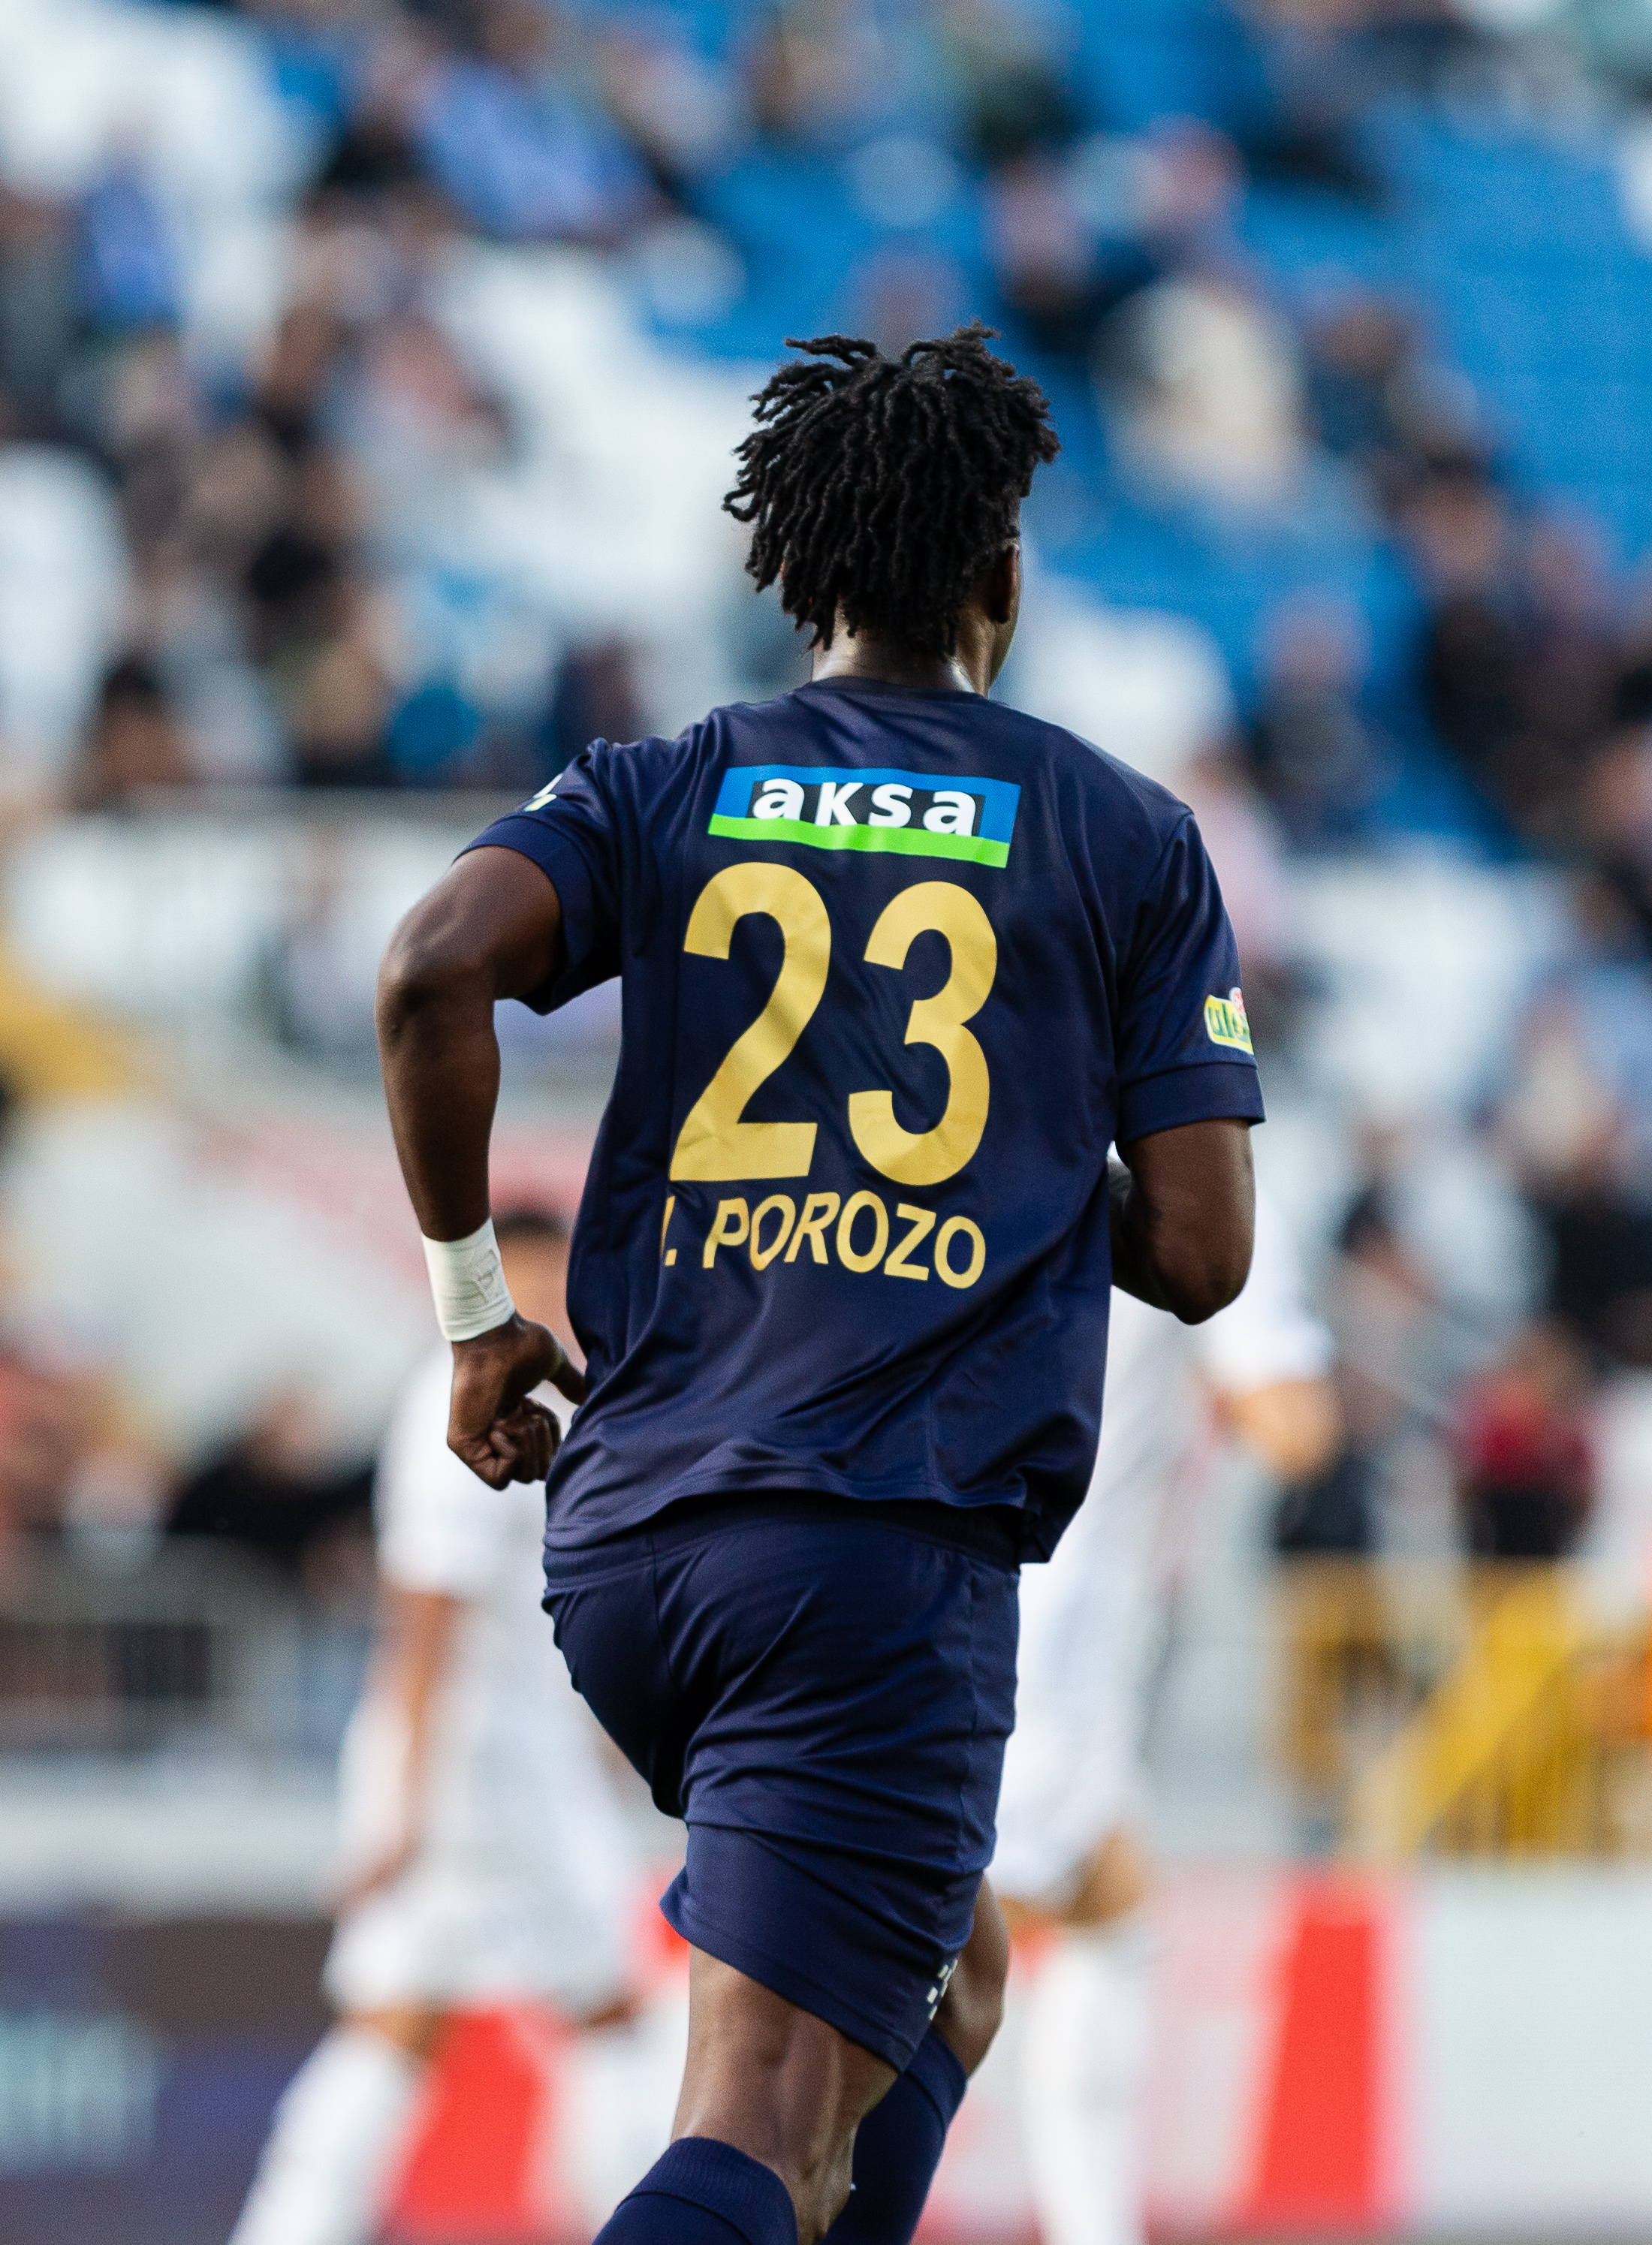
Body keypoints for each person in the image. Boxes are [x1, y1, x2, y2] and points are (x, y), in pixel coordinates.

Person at [374, 323, 1263, 2245]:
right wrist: (1018, 1165)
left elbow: (433, 962)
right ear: (1001, 571)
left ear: (798, 576)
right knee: (761, 2117)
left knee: (951, 1980)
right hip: (867, 1547)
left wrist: (470, 1314)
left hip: (629, 1539)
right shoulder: (1117, 831)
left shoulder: (665, 782)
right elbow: (1202, 1253)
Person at [230, 1209, 652, 2245]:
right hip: (484, 1768)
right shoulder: (466, 1403)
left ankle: (288, 2227)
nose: (552, 1297)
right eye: (533, 1275)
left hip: (496, 1754)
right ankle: (647, 2222)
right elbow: (423, 1618)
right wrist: (404, 1807)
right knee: (609, 2009)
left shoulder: (533, 1397)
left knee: (397, 2023)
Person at [990, 1199, 1338, 2245]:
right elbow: (1291, 1425)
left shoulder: (987, 1153)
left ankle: (1091, 2227)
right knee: (939, 1951)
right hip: (1057, 1633)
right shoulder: (1192, 1184)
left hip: (948, 1596)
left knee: (1108, 1904)